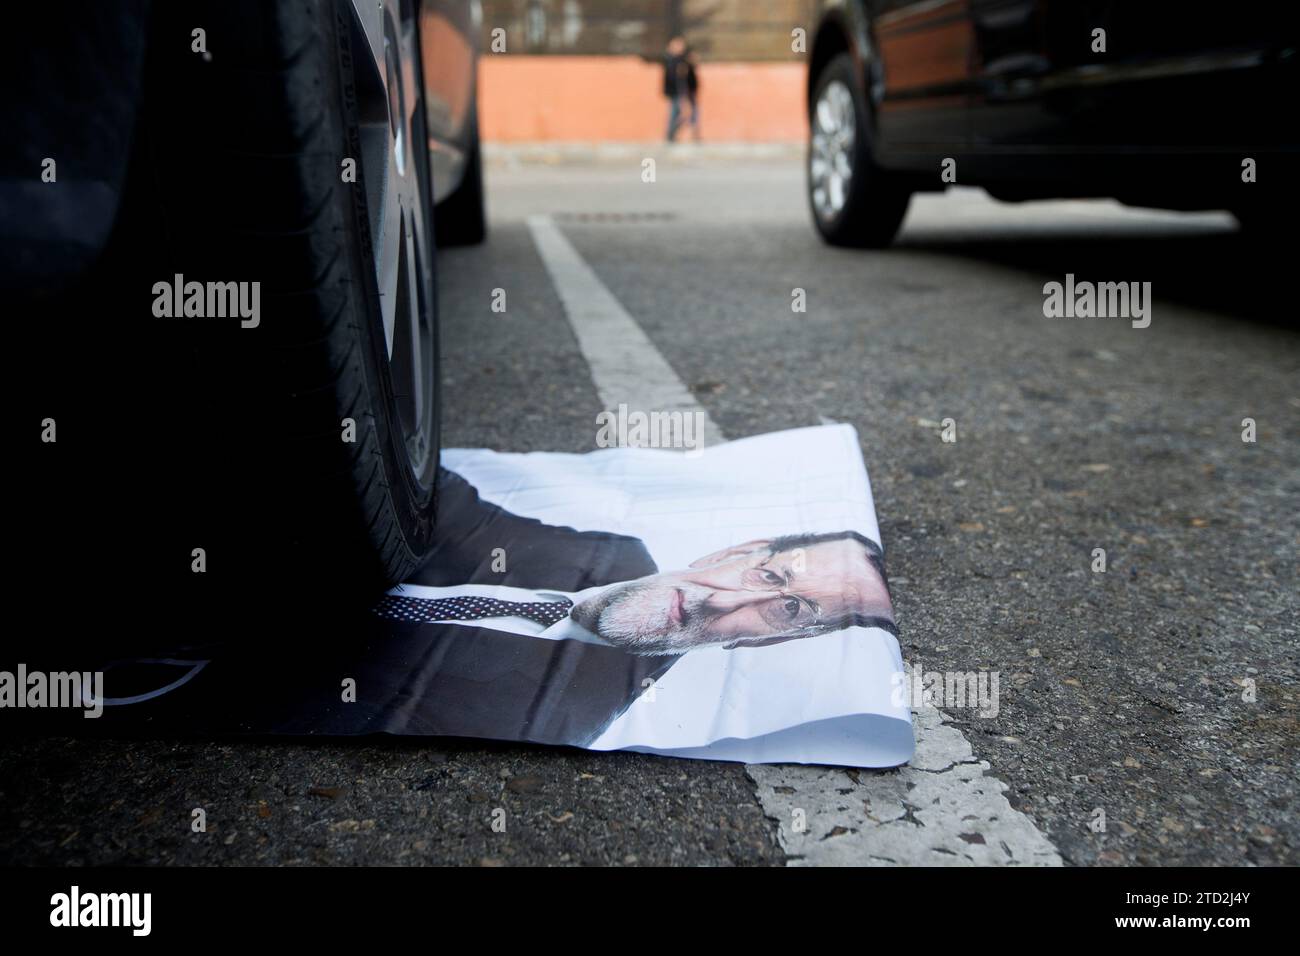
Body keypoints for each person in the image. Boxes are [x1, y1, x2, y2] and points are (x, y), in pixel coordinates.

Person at [663, 36, 688, 142]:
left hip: (678, 90)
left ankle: (671, 134)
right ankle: (670, 134)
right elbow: (672, 76)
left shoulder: (679, 59)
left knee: (678, 112)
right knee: (675, 112)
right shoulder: (670, 59)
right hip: (673, 90)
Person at [684, 48, 701, 141]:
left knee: (693, 113)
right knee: (688, 114)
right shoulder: (687, 67)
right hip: (688, 94)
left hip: (691, 93)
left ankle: (694, 132)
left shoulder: (691, 68)